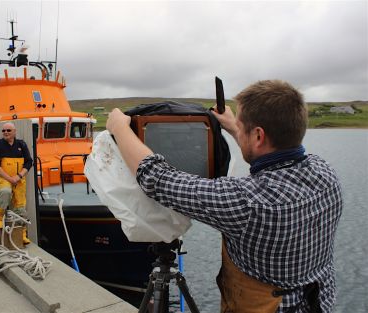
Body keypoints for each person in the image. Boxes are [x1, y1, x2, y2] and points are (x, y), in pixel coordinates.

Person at [106, 80, 342, 313]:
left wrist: (120, 128)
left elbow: (156, 177)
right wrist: (234, 126)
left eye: (243, 127)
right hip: (317, 304)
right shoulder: (325, 173)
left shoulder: (246, 202)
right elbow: (272, 150)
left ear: (258, 135)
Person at [0, 122, 33, 245]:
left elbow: (29, 162)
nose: (6, 132)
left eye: (8, 130)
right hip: (4, 178)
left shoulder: (21, 145)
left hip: (19, 180)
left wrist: (19, 176)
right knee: (4, 192)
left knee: (20, 207)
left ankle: (22, 234)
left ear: (14, 132)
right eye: (3, 131)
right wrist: (9, 178)